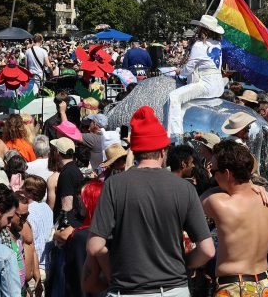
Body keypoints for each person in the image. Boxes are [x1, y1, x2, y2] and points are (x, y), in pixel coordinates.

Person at [87, 106, 214, 295]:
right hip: (173, 289)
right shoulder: (184, 188)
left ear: (135, 152)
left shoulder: (114, 185)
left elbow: (95, 246)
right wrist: (182, 264)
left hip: (127, 290)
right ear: (163, 152)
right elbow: (207, 250)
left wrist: (115, 273)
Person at [203, 140, 268, 297]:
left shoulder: (219, 202)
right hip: (264, 285)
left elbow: (198, 201)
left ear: (227, 174)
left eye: (214, 171)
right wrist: (251, 184)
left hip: (234, 287)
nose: (213, 176)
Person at [168, 15, 225, 136]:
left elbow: (188, 70)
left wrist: (179, 71)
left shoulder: (199, 45)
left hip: (206, 85)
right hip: (219, 86)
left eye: (199, 28)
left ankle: (174, 135)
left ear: (202, 29)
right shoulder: (217, 44)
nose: (197, 30)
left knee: (173, 97)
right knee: (183, 107)